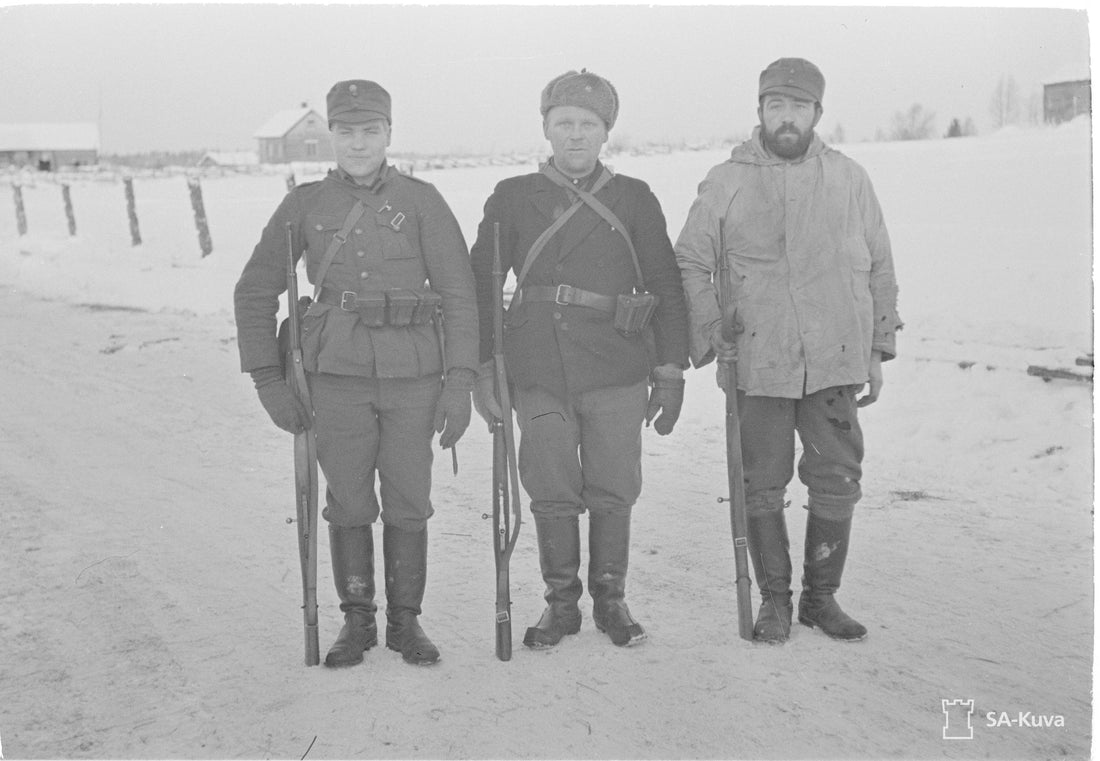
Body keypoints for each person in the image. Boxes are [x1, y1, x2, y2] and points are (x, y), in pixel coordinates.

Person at [234, 80, 479, 667]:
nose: (359, 143)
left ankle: (406, 623)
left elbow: (459, 294)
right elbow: (254, 292)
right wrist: (268, 379)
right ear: (331, 137)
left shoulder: (423, 202)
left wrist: (460, 381)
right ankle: (357, 620)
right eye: (347, 132)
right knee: (347, 500)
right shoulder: (303, 206)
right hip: (336, 375)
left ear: (389, 134)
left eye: (371, 131)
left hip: (413, 374)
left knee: (408, 499)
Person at [674, 58, 902, 644]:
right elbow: (691, 261)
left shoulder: (849, 178)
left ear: (817, 114)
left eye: (798, 107)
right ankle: (775, 600)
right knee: (761, 482)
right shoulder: (726, 180)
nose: (786, 118)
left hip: (834, 360)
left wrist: (877, 347)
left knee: (836, 477)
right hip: (759, 361)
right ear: (760, 112)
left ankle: (821, 600)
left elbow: (879, 265)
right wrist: (711, 324)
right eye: (776, 106)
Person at [470, 70, 690, 649]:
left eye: (587, 124)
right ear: (545, 128)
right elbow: (480, 289)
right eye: (563, 123)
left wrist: (669, 372)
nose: (575, 135)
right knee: (550, 483)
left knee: (615, 486)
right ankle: (561, 606)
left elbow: (664, 282)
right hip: (538, 366)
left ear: (605, 133)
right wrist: (484, 370)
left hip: (617, 364)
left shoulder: (635, 198)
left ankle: (611, 602)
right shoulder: (513, 197)